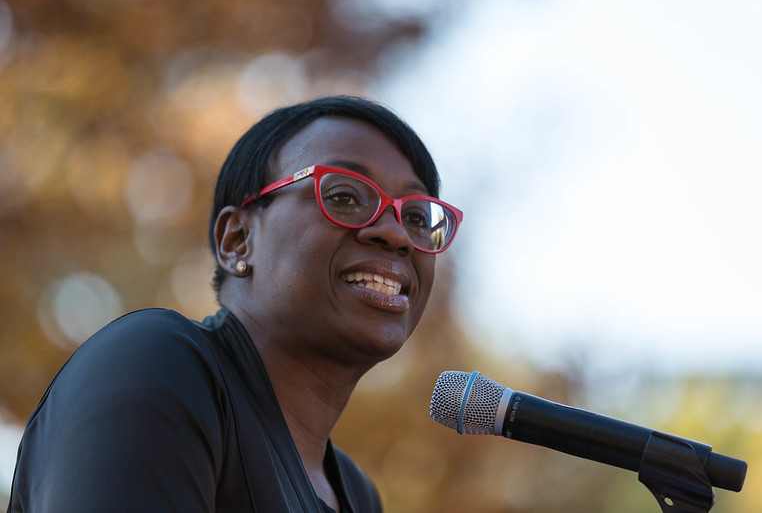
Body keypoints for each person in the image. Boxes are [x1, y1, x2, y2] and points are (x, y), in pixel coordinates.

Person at [6, 96, 463, 512]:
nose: (397, 233)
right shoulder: (156, 360)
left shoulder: (359, 495)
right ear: (238, 240)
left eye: (418, 217)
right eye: (344, 196)